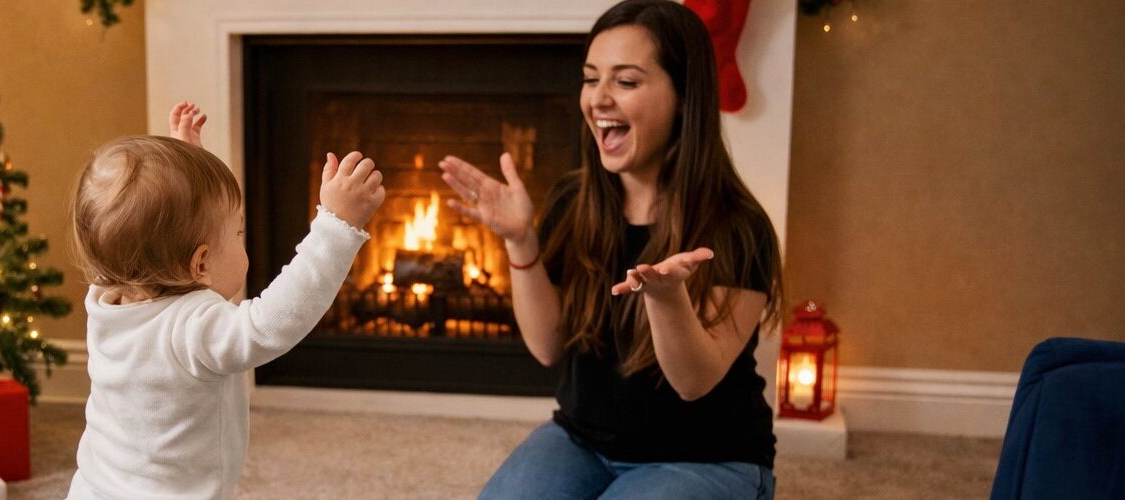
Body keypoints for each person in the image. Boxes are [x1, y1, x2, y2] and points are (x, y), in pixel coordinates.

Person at [438, 1, 782, 498]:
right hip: (582, 441)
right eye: (590, 78)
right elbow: (547, 345)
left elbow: (694, 382)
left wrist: (666, 299)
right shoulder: (573, 202)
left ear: (685, 96)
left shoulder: (739, 227)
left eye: (626, 81)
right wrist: (521, 241)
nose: (598, 99)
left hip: (708, 456)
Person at [66, 102, 386, 499]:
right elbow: (272, 322)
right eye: (237, 233)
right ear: (199, 263)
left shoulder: (106, 297)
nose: (241, 239)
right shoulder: (193, 331)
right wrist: (336, 227)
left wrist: (185, 171)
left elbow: (140, 233)